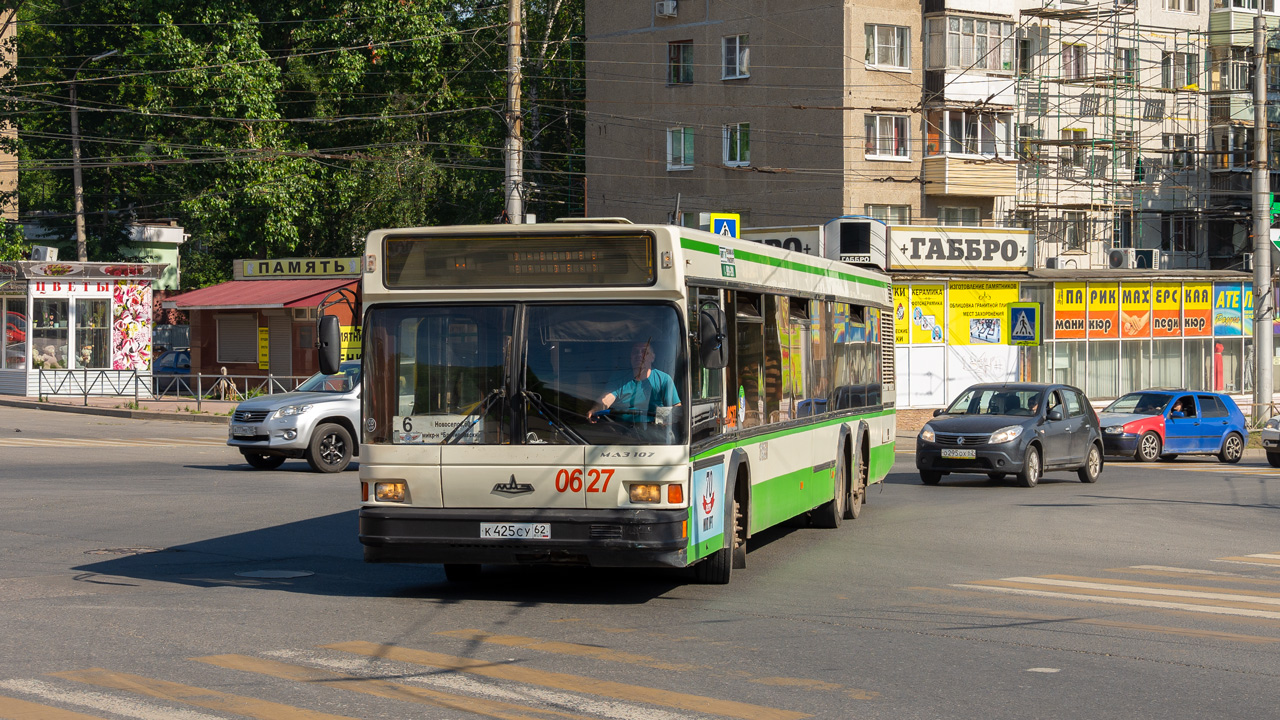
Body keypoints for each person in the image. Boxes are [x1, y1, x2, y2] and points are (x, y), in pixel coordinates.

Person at [589, 340, 681, 423]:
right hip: (621, 430)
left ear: (652, 357)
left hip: (654, 432)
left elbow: (677, 409)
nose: (639, 355)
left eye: (644, 352)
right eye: (635, 352)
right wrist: (596, 409)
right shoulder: (619, 377)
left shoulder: (664, 379)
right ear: (631, 357)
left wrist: (662, 421)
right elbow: (606, 399)